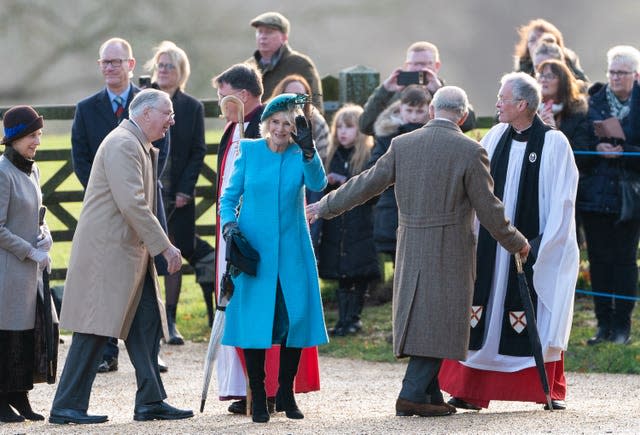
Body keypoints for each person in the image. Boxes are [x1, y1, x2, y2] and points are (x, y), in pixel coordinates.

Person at [306, 86, 530, 418]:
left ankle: (429, 394)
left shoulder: (403, 145)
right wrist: (516, 242)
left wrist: (324, 205)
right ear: (464, 116)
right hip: (450, 245)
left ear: (430, 112)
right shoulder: (471, 151)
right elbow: (489, 209)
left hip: (410, 242)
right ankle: (412, 392)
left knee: (422, 316)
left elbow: (364, 183)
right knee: (442, 318)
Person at [49, 89, 193, 425]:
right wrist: (165, 246)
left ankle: (151, 401)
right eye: (166, 113)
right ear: (145, 114)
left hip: (128, 254)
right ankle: (66, 405)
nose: (172, 120)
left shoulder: (135, 143)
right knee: (95, 327)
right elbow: (133, 204)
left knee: (147, 325)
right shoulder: (124, 145)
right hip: (110, 255)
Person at [439, 72, 579, 411]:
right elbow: (475, 186)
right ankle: (471, 391)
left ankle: (543, 390)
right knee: (481, 312)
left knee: (529, 312)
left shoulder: (554, 143)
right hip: (489, 245)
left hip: (533, 247)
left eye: (503, 99)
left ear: (522, 104)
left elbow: (563, 201)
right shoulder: (495, 135)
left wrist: (541, 244)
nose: (497, 104)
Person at [212, 65, 322, 416]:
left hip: (293, 250)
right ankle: (257, 394)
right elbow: (228, 199)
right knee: (257, 322)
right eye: (275, 122)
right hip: (254, 251)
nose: (279, 129)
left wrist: (309, 151)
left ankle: (286, 392)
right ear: (266, 123)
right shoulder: (249, 150)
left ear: (295, 128)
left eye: (287, 124)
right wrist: (229, 226)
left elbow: (317, 184)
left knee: (294, 320)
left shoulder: (299, 155)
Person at [71, 37, 169, 373]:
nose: (110, 67)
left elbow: (158, 153)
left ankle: (151, 397)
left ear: (131, 64)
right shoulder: (102, 121)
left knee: (146, 316)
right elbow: (83, 160)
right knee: (99, 320)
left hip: (139, 223)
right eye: (105, 62)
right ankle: (71, 400)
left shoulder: (148, 112)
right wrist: (164, 247)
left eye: (116, 62)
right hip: (117, 227)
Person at [144, 40, 213, 341]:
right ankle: (147, 320)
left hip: (178, 196)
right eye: (160, 65)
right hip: (148, 189)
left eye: (170, 66)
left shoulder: (191, 107)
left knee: (174, 251)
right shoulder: (142, 101)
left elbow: (198, 151)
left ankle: (169, 321)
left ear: (181, 71)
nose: (164, 71)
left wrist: (186, 189)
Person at [579, 45, 640, 346]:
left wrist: (624, 153)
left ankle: (622, 327)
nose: (615, 77)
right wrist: (597, 148)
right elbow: (579, 141)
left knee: (625, 261)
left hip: (630, 196)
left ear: (635, 75)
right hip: (595, 194)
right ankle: (603, 325)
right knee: (599, 261)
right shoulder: (594, 102)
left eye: (622, 73)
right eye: (612, 72)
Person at [0, 106, 58, 423]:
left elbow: (38, 211)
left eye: (39, 134)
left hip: (27, 271)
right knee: (5, 333)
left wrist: (45, 235)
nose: (37, 141)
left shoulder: (31, 169)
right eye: (32, 135)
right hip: (7, 268)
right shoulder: (2, 172)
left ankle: (18, 394)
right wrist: (29, 251)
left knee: (24, 333)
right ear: (16, 138)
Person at [317, 104, 380, 336]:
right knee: (342, 275)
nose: (343, 132)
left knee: (358, 273)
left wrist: (345, 181)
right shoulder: (332, 156)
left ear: (360, 131)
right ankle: (343, 320)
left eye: (349, 127)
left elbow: (370, 188)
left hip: (360, 224)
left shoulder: (366, 158)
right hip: (337, 225)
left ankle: (354, 318)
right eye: (339, 127)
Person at [359, 41, 476, 136]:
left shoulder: (446, 93)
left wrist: (438, 91)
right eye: (414, 64)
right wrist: (385, 91)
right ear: (406, 65)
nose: (419, 69)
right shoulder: (393, 93)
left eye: (425, 64)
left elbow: (468, 123)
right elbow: (366, 127)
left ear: (437, 66)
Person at [268, 74, 330, 252]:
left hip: (307, 185)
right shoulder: (270, 120)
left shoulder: (316, 122)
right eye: (290, 95)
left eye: (301, 97)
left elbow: (321, 164)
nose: (295, 101)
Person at [369, 85, 432, 260]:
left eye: (419, 111)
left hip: (425, 211)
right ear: (400, 109)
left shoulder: (435, 135)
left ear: (429, 110)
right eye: (409, 110)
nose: (413, 116)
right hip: (393, 211)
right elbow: (373, 169)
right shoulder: (387, 135)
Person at [536, 59, 591, 245]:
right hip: (536, 187)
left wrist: (555, 133)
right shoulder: (530, 109)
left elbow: (582, 154)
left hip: (567, 190)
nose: (544, 80)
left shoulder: (577, 111)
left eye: (550, 76)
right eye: (541, 75)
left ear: (563, 81)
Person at [246, 11, 324, 113]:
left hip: (288, 126)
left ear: (284, 37)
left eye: (269, 32)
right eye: (260, 31)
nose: (263, 36)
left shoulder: (301, 65)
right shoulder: (247, 67)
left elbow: (313, 104)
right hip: (250, 127)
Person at [513, 18, 588, 82]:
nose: (537, 44)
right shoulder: (521, 74)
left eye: (543, 39)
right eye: (532, 40)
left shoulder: (570, 65)